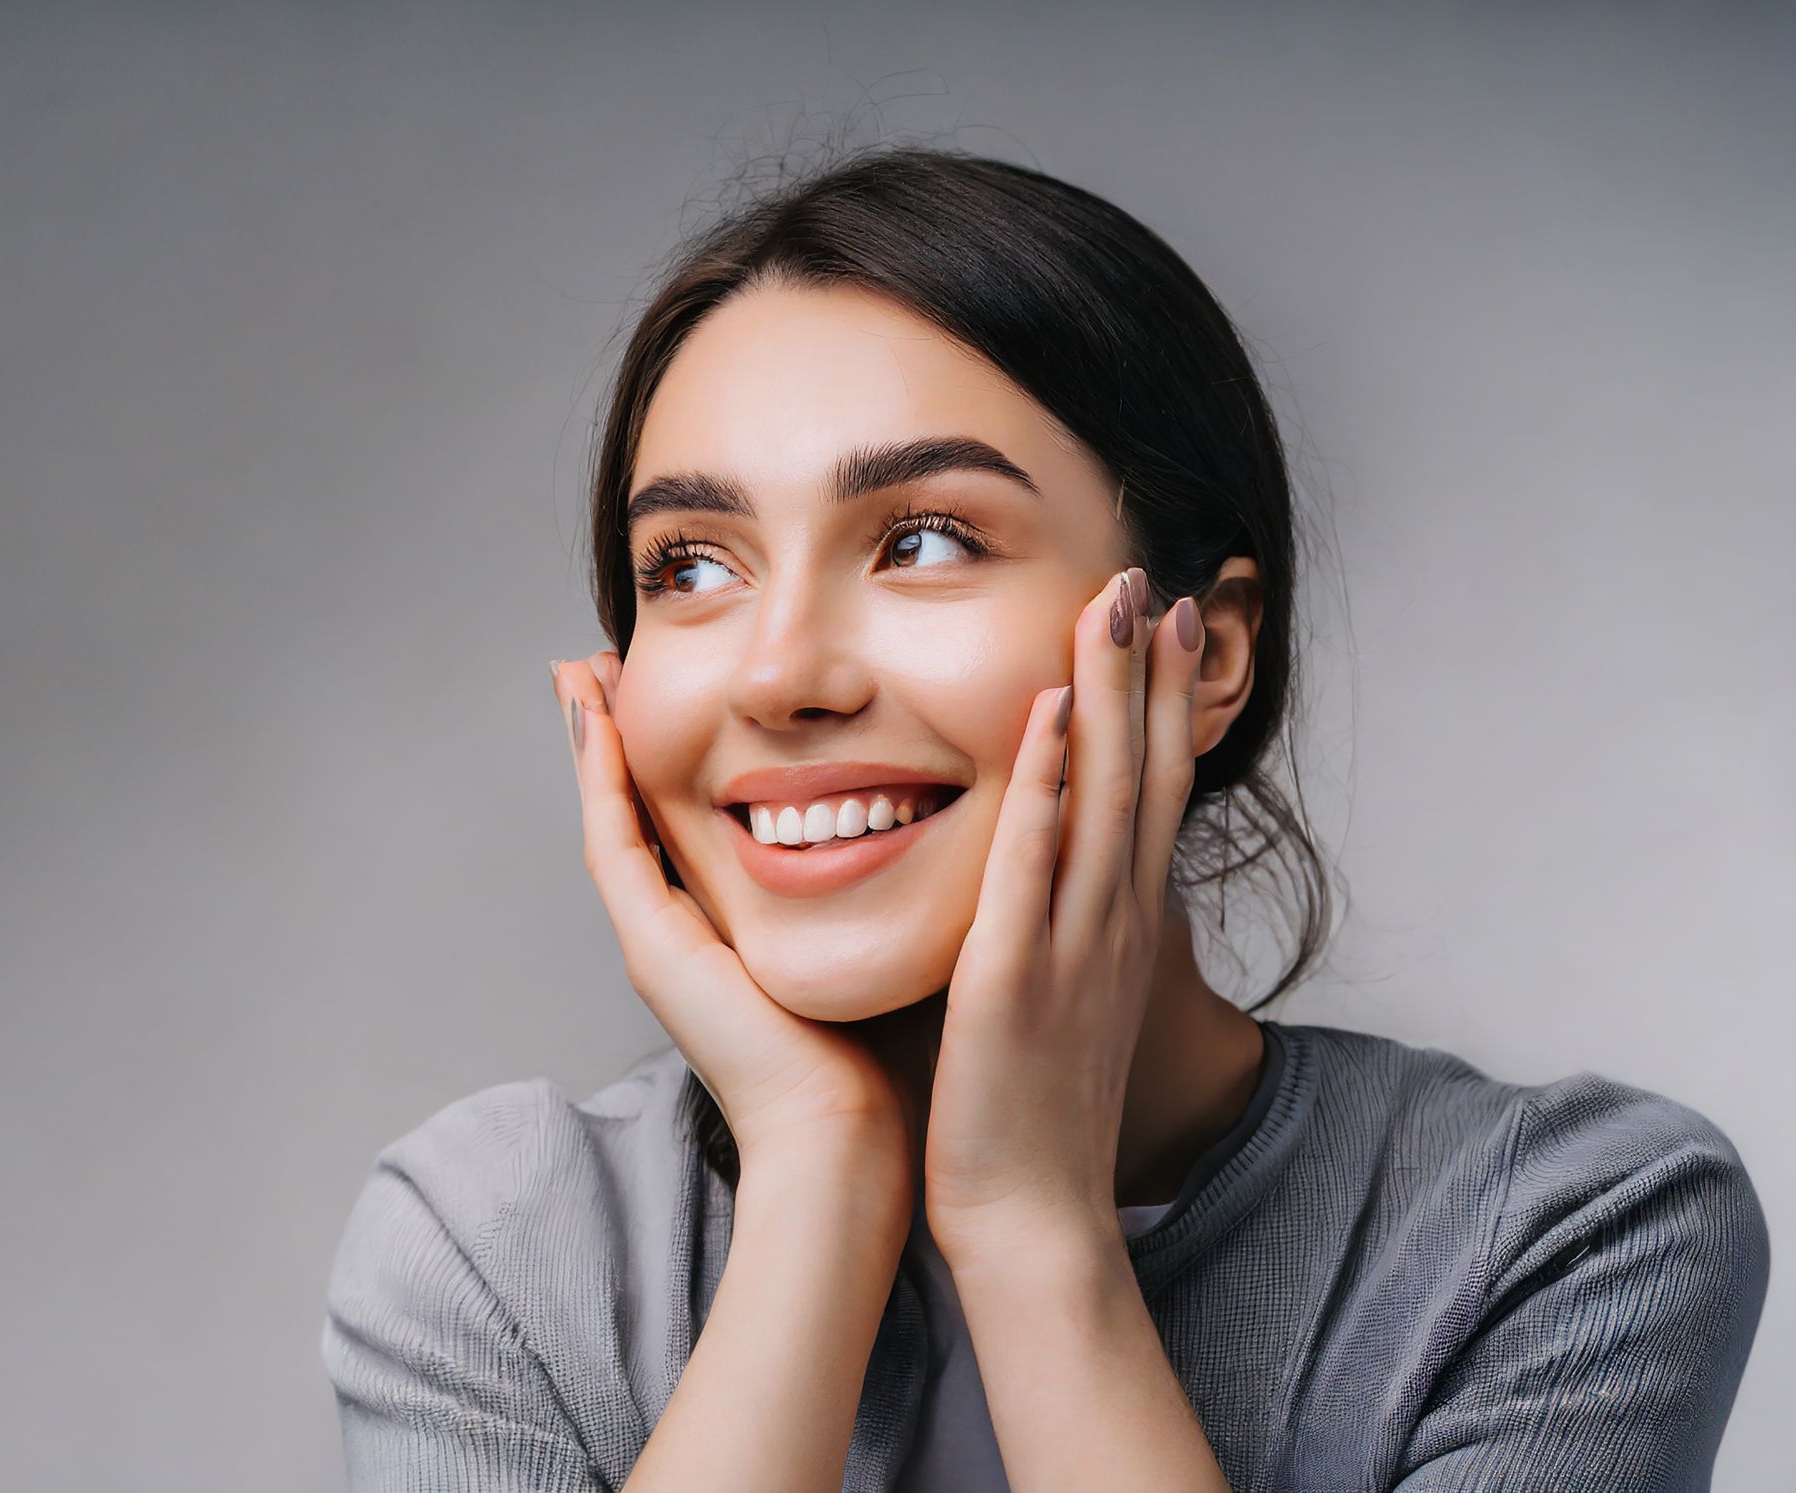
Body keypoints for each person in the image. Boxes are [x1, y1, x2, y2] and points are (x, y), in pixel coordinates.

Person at [319, 145, 1769, 1492]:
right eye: (691, 564)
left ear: (1205, 651)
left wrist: (1032, 1225)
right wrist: (819, 1177)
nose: (777, 673)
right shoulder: (500, 1246)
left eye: (927, 539)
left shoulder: (1566, 1232)